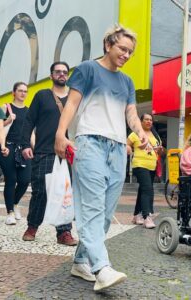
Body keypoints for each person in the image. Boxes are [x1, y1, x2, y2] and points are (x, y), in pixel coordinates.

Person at [54, 25, 148, 291]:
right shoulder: (87, 69)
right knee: (92, 209)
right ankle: (101, 269)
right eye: (122, 49)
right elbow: (71, 104)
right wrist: (61, 134)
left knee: (105, 214)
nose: (126, 55)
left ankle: (81, 260)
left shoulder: (127, 81)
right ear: (108, 44)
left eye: (130, 51)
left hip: (118, 149)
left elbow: (130, 113)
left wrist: (140, 132)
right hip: (90, 143)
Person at [20, 63, 77, 246]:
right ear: (51, 75)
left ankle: (64, 232)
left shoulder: (73, 99)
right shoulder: (42, 96)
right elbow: (29, 121)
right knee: (40, 192)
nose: (61, 74)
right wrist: (24, 144)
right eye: (58, 72)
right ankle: (32, 226)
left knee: (65, 192)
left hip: (67, 153)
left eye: (64, 72)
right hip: (45, 151)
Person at [0, 82, 31, 225]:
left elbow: (31, 134)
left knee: (25, 180)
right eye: (20, 91)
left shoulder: (29, 111)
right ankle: (10, 212)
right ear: (13, 92)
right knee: (11, 179)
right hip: (8, 148)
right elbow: (0, 129)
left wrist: (34, 149)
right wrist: (8, 120)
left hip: (24, 148)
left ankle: (15, 203)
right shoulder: (5, 108)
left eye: (25, 91)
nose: (23, 93)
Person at [126, 113, 163, 229]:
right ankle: (147, 216)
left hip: (152, 166)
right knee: (148, 189)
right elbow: (126, 145)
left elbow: (161, 152)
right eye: (146, 119)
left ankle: (137, 215)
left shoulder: (155, 135)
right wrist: (129, 149)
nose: (149, 122)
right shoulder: (135, 134)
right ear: (141, 122)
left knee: (143, 190)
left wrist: (161, 150)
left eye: (151, 120)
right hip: (140, 165)